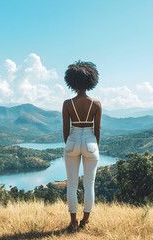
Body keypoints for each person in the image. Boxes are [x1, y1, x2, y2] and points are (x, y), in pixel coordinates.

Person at [62, 61, 102, 232]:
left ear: (71, 81)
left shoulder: (67, 103)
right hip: (90, 140)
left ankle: (72, 222)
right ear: (90, 80)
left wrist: (70, 143)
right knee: (89, 184)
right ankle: (84, 222)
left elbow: (65, 129)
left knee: (72, 184)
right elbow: (97, 128)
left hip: (72, 139)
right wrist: (94, 145)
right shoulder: (96, 104)